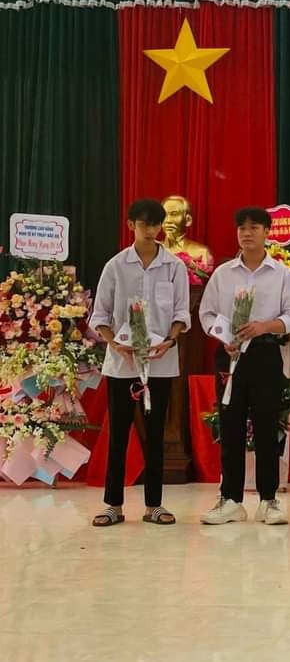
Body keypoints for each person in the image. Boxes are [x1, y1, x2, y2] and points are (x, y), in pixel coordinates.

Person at [89, 198, 190, 526]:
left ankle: (154, 505)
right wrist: (114, 343)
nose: (151, 230)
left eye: (156, 224)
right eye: (144, 224)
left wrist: (170, 340)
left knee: (156, 434)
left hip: (160, 363)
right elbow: (100, 315)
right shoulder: (116, 266)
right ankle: (113, 505)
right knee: (118, 434)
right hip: (122, 364)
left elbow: (181, 313)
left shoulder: (174, 267)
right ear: (131, 225)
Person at [198, 207, 290, 526]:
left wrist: (264, 326)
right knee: (230, 426)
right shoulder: (223, 274)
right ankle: (231, 499)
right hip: (229, 356)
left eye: (254, 227)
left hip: (265, 354)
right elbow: (206, 313)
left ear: (267, 232)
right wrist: (223, 336)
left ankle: (269, 500)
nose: (247, 233)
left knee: (267, 426)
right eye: (241, 228)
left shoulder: (281, 273)